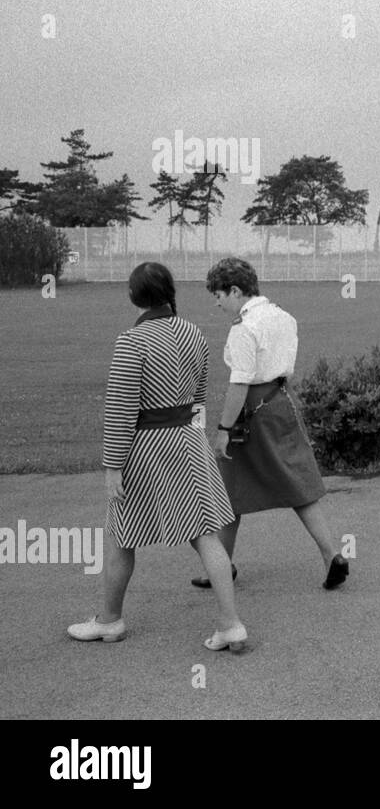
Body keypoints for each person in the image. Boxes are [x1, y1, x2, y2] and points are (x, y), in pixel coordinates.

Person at [68, 262, 247, 652]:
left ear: (135, 296)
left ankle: (110, 621)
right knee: (206, 535)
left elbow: (121, 409)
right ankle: (231, 624)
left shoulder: (131, 341)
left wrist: (113, 465)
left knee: (120, 534)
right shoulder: (194, 332)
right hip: (188, 441)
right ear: (169, 290)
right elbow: (199, 397)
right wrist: (194, 438)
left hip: (146, 448)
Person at [195, 257, 349, 590]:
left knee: (227, 487)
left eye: (219, 295)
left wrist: (223, 430)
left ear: (235, 290)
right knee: (296, 482)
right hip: (282, 402)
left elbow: (240, 383)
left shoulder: (243, 328)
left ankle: (220, 567)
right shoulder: (284, 316)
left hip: (251, 410)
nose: (216, 302)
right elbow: (285, 370)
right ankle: (331, 554)